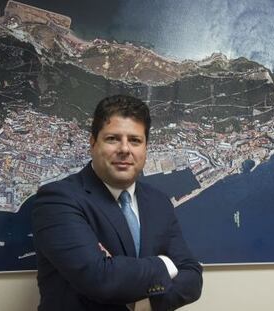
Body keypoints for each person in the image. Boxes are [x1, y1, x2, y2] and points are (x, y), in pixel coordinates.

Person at [32, 94, 203, 311]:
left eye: (135, 140)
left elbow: (192, 278)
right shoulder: (57, 200)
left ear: (145, 148)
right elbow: (99, 278)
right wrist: (166, 264)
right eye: (113, 138)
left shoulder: (158, 202)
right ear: (93, 143)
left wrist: (143, 303)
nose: (124, 149)